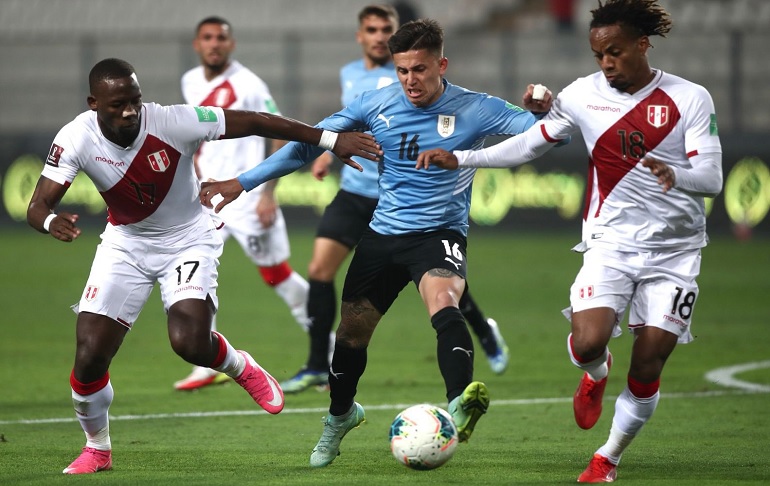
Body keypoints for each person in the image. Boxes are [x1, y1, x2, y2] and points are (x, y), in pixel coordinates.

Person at [199, 19, 552, 468]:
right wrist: (242, 183)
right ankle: (340, 416)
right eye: (403, 70)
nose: (410, 81)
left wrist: (542, 110)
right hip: (383, 235)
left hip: (439, 234)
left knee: (444, 302)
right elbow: (306, 145)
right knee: (351, 334)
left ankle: (460, 402)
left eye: (420, 70)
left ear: (441, 64)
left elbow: (544, 136)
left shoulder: (476, 108)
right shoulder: (375, 103)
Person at [416, 0, 723, 482]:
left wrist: (677, 173)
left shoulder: (689, 98)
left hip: (676, 252)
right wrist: (463, 158)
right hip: (610, 244)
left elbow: (711, 176)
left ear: (642, 45)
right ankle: (595, 374)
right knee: (587, 343)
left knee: (648, 365)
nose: (606, 63)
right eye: (598, 54)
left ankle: (608, 458)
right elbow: (530, 142)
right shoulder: (583, 95)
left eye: (615, 53)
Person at [26, 58, 379, 475]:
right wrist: (51, 222)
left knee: (189, 342)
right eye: (118, 104)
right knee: (88, 356)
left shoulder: (174, 121)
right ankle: (97, 448)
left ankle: (239, 366)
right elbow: (37, 206)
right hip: (126, 244)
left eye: (135, 101)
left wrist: (329, 139)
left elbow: (257, 121)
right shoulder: (75, 137)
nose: (130, 112)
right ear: (93, 103)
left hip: (189, 239)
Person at [280, 4, 510, 395]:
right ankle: (318, 363)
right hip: (357, 192)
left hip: (407, 199)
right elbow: (341, 124)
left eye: (384, 28)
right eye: (370, 29)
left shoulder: (411, 75)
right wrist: (322, 152)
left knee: (442, 285)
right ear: (361, 35)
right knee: (320, 269)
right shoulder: (351, 75)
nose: (376, 35)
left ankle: (484, 332)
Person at [172, 16, 313, 391]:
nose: (214, 44)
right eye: (207, 38)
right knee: (192, 274)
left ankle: (327, 353)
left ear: (231, 44)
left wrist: (268, 193)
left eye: (221, 38)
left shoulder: (249, 84)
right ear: (196, 44)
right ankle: (206, 362)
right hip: (205, 197)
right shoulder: (190, 81)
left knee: (277, 277)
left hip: (246, 196)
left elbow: (280, 133)